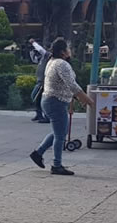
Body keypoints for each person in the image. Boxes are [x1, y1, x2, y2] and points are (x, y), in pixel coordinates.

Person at [29, 39, 95, 176]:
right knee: (60, 135)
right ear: (63, 52)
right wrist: (87, 99)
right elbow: (72, 85)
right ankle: (56, 165)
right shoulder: (61, 64)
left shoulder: (52, 61)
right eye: (68, 48)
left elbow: (66, 85)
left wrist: (76, 99)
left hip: (51, 100)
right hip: (55, 102)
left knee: (59, 132)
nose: (70, 50)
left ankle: (38, 153)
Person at [30, 38, 55, 123]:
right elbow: (35, 60)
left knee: (37, 97)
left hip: (43, 82)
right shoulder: (43, 57)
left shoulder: (48, 55)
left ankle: (46, 116)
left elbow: (40, 49)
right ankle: (39, 114)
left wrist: (33, 43)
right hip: (40, 81)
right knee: (37, 98)